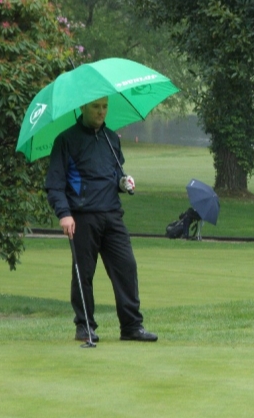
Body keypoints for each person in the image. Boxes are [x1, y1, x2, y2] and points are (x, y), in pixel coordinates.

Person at [45, 96, 158, 343]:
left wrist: (123, 182)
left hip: (112, 214)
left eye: (104, 107)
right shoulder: (66, 140)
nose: (101, 112)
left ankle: (131, 326)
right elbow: (54, 185)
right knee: (83, 273)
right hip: (82, 216)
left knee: (127, 267)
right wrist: (64, 214)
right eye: (96, 107)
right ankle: (85, 326)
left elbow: (115, 173)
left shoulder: (111, 139)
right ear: (82, 107)